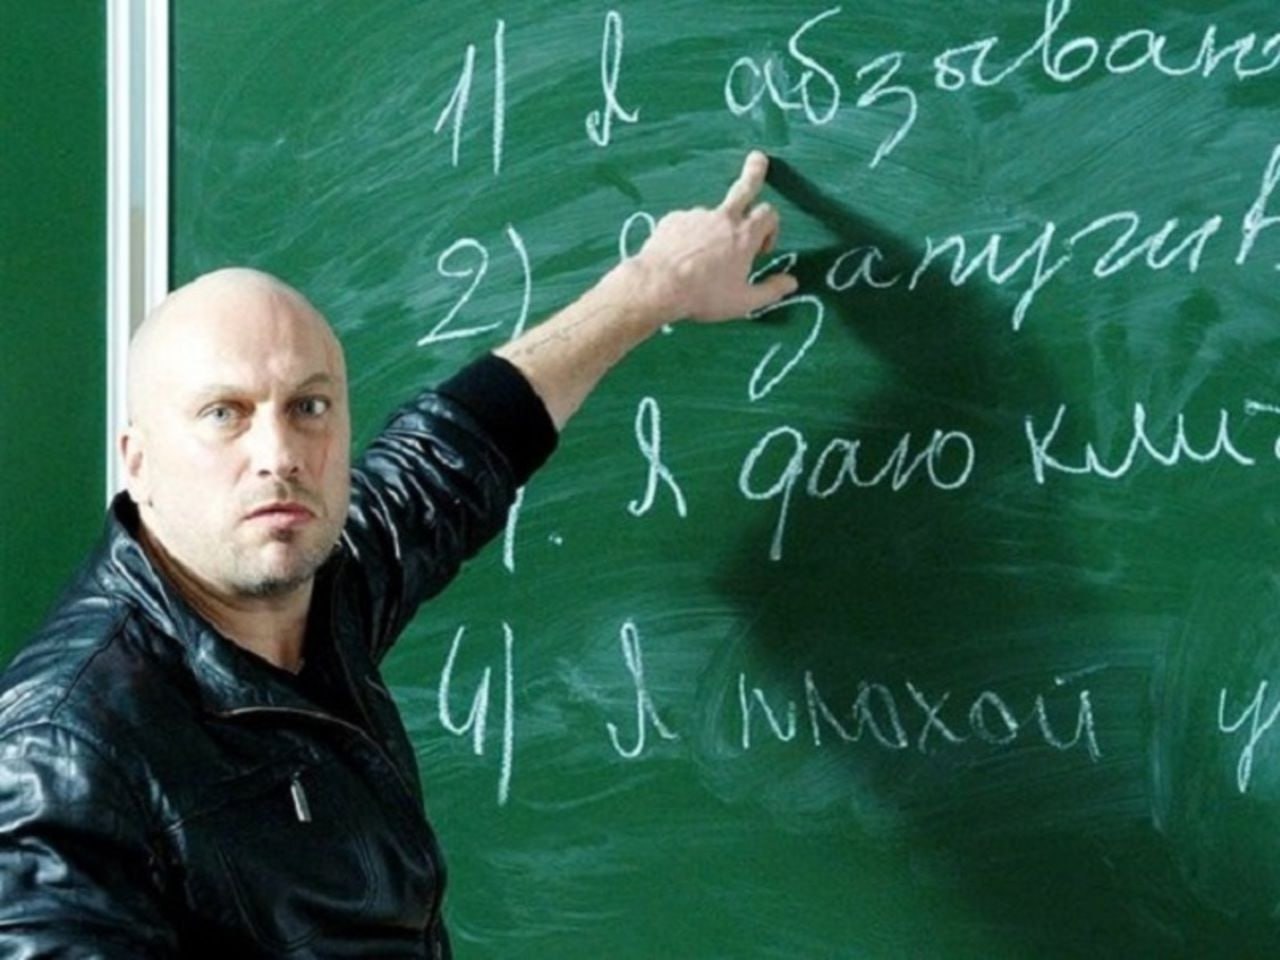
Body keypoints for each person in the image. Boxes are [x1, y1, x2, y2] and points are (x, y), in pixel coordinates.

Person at [0, 152, 795, 957]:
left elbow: (453, 455)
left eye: (309, 406)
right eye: (223, 414)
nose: (280, 454)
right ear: (137, 463)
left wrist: (653, 285)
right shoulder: (63, 752)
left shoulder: (315, 593)